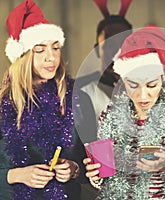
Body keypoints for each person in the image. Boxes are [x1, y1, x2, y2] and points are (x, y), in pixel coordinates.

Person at [83, 26, 165, 199]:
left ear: (164, 78)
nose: (143, 95)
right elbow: (106, 180)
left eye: (151, 85)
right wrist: (96, 176)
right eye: (133, 85)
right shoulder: (108, 116)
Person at [0, 0, 86, 199]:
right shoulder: (4, 103)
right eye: (40, 49)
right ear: (21, 56)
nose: (51, 57)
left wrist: (73, 169)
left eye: (55, 48)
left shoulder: (76, 98)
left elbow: (93, 164)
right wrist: (14, 175)